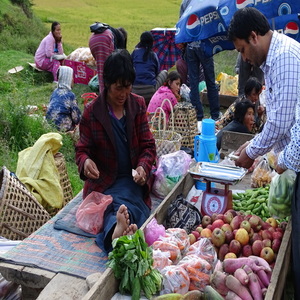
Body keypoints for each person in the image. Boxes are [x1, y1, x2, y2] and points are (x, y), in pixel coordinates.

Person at [228, 8, 300, 298]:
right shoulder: (276, 58)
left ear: (254, 37)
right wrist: (257, 148)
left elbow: (281, 120)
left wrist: (254, 151)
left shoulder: (284, 58)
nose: (244, 58)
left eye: (243, 49)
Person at [75, 49, 156, 253]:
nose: (123, 94)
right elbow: (82, 149)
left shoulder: (137, 105)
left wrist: (142, 167)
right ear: (107, 84)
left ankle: (119, 230)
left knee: (130, 203)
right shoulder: (93, 112)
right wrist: (85, 162)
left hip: (130, 179)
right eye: (118, 88)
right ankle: (118, 230)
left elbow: (148, 146)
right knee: (111, 205)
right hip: (104, 181)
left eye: (127, 87)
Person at [179, 0, 220, 121]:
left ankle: (198, 114)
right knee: (210, 81)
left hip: (191, 45)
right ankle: (215, 115)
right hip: (204, 44)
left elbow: (181, 23)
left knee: (193, 81)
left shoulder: (185, 3)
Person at [131, 31, 168, 105]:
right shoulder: (153, 55)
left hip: (134, 91)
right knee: (164, 72)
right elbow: (157, 71)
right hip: (151, 92)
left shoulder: (135, 52)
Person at [89, 24, 127, 94]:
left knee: (101, 70)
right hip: (104, 40)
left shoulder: (112, 32)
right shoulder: (120, 36)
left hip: (92, 40)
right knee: (109, 69)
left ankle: (103, 92)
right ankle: (106, 94)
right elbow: (120, 56)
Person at [46, 66, 81, 132]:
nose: (73, 80)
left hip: (50, 124)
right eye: (72, 77)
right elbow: (76, 118)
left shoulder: (55, 91)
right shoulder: (70, 95)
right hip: (61, 127)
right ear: (67, 79)